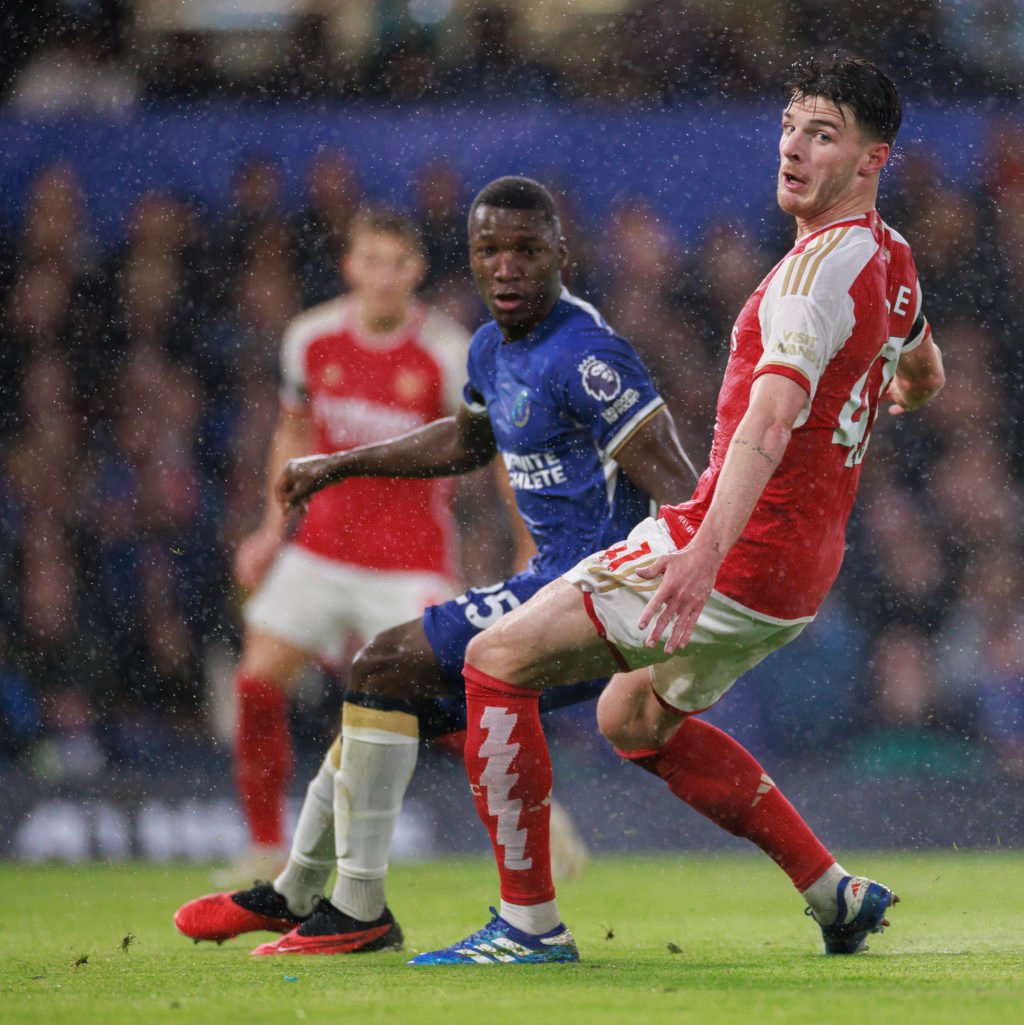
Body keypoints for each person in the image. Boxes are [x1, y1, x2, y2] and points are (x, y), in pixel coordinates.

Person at [411, 55, 946, 967]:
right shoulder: (892, 261)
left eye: (823, 134)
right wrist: (896, 389)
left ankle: (527, 926)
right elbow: (925, 367)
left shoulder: (810, 279)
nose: (793, 148)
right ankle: (835, 894)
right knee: (630, 718)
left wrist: (699, 559)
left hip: (732, 551)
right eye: (790, 124)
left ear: (871, 159)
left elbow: (770, 423)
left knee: (494, 662)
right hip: (799, 577)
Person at [175, 176, 697, 954]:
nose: (507, 267)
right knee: (377, 692)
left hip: (575, 587)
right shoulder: (485, 345)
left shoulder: (588, 355)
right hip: (425, 566)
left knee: (386, 668)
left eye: (525, 250)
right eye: (490, 250)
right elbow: (468, 442)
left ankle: (357, 903)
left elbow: (685, 487)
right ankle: (304, 891)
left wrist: (710, 577)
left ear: (561, 253)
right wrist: (336, 466)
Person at [222, 208, 471, 884]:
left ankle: (536, 824)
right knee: (256, 678)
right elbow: (292, 435)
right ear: (350, 265)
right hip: (323, 549)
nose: (383, 277)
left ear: (416, 270)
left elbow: (490, 453)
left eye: (397, 263)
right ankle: (265, 842)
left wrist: (525, 540)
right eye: (371, 260)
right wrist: (274, 531)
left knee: (459, 706)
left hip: (409, 558)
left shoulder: (447, 352)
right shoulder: (311, 339)